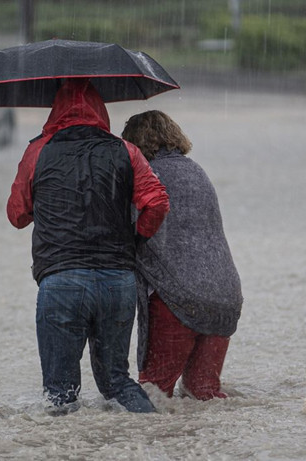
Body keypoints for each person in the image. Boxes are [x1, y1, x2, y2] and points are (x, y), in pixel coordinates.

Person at [7, 79, 170, 414]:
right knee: (117, 383)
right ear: (101, 109)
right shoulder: (126, 150)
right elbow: (157, 202)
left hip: (61, 282)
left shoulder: (38, 150)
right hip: (117, 281)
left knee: (60, 395)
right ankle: (158, 437)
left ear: (55, 110)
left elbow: (16, 215)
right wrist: (135, 238)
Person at [121, 110, 243, 400]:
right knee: (204, 395)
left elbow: (129, 229)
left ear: (133, 144)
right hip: (225, 296)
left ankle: (157, 447)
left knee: (154, 396)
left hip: (178, 299)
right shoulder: (196, 170)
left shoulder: (147, 175)